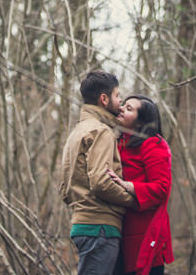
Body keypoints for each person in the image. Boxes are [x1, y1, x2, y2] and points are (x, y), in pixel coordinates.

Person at [59, 70, 136, 275]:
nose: (120, 102)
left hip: (83, 225)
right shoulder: (101, 131)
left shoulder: (78, 131)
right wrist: (132, 199)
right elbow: (101, 182)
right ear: (104, 99)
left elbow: (64, 187)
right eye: (118, 96)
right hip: (100, 227)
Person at [108, 94, 174, 275]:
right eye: (123, 105)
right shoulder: (120, 142)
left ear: (140, 122)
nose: (121, 108)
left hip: (144, 232)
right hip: (119, 227)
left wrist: (127, 185)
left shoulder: (154, 144)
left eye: (129, 108)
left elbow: (162, 188)